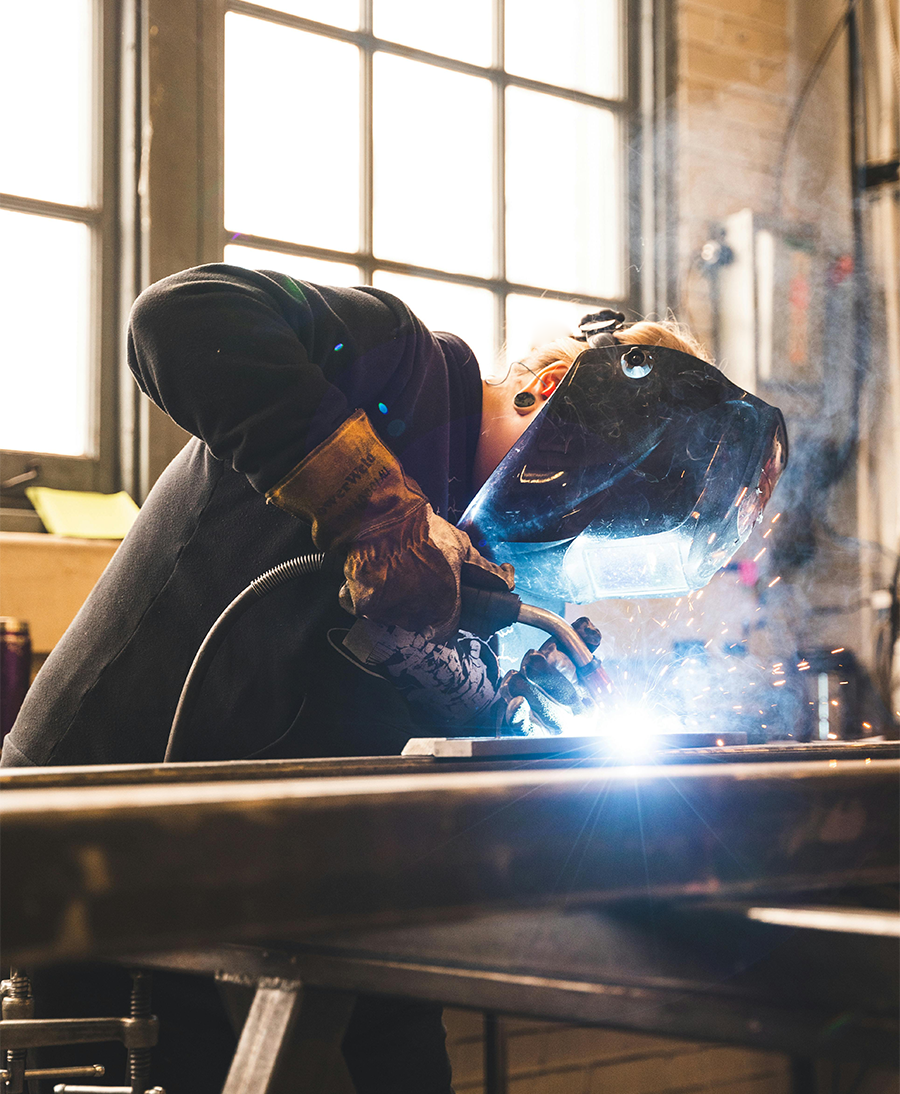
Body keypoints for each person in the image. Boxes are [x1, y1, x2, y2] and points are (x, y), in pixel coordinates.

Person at [1, 263, 712, 1093]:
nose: (564, 538)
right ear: (545, 393)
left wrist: (515, 717)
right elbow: (176, 316)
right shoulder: (397, 369)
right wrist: (376, 507)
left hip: (314, 881)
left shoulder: (483, 561)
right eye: (581, 509)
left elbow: (399, 700)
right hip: (105, 850)